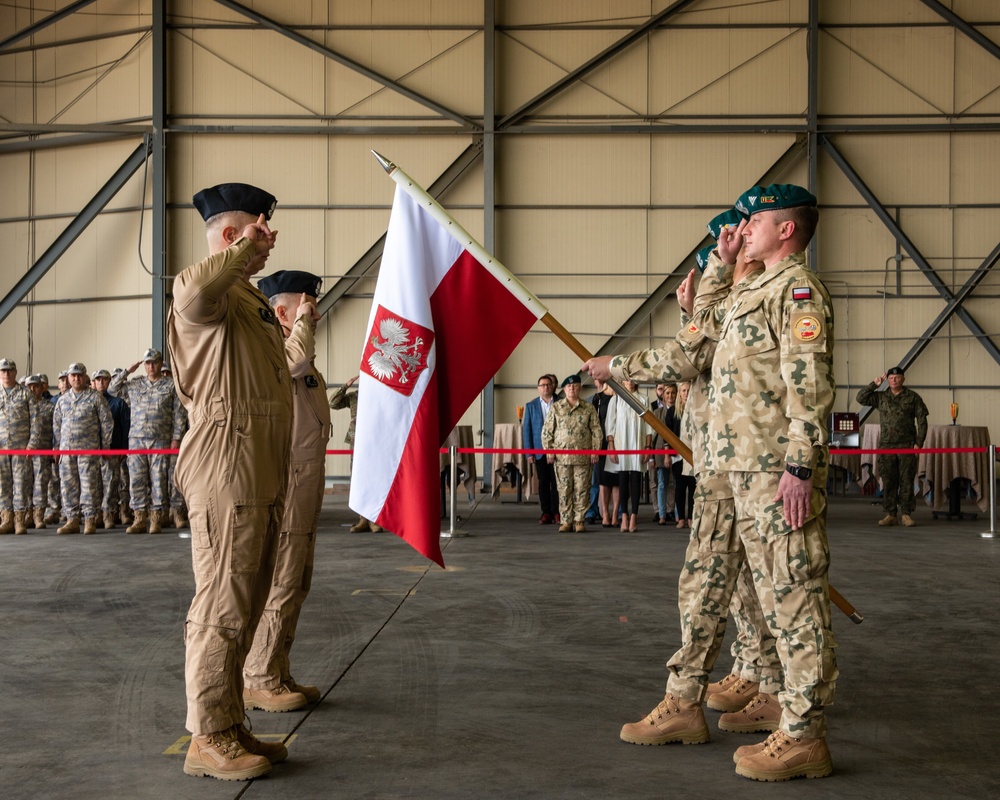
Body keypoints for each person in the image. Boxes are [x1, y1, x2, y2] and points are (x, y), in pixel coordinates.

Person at [583, 187, 832, 780]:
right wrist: (721, 269)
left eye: (756, 222)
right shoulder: (753, 290)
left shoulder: (798, 292)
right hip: (737, 466)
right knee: (762, 593)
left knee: (794, 597)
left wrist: (800, 466)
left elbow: (808, 386)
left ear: (787, 231)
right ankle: (775, 713)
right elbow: (705, 334)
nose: (744, 230)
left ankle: (804, 734)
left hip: (772, 470)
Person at [169, 182, 293, 781]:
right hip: (226, 460)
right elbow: (196, 289)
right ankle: (207, 736)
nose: (269, 248)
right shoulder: (204, 293)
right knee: (221, 596)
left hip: (258, 463)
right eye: (262, 235)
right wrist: (243, 250)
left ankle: (231, 716)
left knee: (246, 596)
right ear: (231, 236)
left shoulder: (247, 300)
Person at [244, 269, 330, 713]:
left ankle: (276, 667)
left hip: (308, 480)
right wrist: (302, 325)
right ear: (281, 312)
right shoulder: (277, 346)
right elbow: (292, 364)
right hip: (290, 478)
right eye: (306, 305)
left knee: (298, 580)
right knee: (281, 578)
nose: (314, 312)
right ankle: (259, 676)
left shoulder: (302, 347)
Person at [110, 349, 184, 534]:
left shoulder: (171, 385)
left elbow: (179, 414)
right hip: (137, 439)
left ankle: (156, 519)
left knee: (158, 479)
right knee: (137, 479)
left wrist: (176, 437)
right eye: (148, 363)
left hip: (160, 439)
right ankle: (139, 518)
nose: (151, 366)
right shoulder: (135, 384)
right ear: (144, 365)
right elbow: (112, 389)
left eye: (155, 362)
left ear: (160, 364)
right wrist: (127, 371)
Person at [856, 367, 928, 527]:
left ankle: (906, 514)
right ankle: (890, 514)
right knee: (888, 480)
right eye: (891, 378)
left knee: (907, 480)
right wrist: (874, 384)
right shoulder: (881, 397)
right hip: (887, 445)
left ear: (903, 379)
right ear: (887, 380)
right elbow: (860, 398)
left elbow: (922, 420)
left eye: (897, 377)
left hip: (907, 445)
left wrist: (919, 443)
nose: (894, 380)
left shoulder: (912, 397)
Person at [53, 363, 113, 535]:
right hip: (67, 450)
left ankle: (89, 520)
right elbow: (57, 425)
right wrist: (57, 447)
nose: (76, 378)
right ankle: (72, 519)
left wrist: (105, 445)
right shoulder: (62, 400)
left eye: (79, 375)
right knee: (68, 485)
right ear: (69, 378)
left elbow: (107, 423)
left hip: (89, 450)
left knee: (89, 485)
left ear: (85, 377)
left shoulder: (95, 398)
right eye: (73, 375)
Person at [541, 374, 602, 532]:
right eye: (569, 387)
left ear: (580, 388)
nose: (572, 389)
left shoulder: (588, 408)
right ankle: (566, 520)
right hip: (562, 458)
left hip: (583, 457)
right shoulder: (557, 407)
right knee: (564, 489)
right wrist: (549, 450)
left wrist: (595, 450)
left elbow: (596, 430)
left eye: (575, 386)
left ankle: (579, 520)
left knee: (582, 488)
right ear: (564, 389)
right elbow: (547, 431)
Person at [330, 375, 381, 533]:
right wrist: (346, 385)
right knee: (359, 480)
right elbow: (333, 403)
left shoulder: (379, 396)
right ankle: (363, 519)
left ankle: (374, 519)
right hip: (357, 441)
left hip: (375, 441)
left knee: (374, 479)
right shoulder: (354, 397)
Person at [604, 379, 651, 532]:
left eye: (632, 378)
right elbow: (610, 425)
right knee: (622, 480)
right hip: (621, 444)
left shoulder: (644, 399)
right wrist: (611, 447)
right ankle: (623, 516)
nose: (629, 381)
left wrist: (648, 447)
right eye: (626, 378)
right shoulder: (616, 399)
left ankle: (633, 518)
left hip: (638, 444)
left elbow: (649, 426)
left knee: (637, 480)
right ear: (622, 381)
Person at [0, 359, 37, 535]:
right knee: (3, 484)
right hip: (1, 448)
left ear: (15, 372)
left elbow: (36, 421)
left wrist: (32, 444)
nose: (6, 374)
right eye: (3, 371)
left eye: (9, 371)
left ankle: (19, 520)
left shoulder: (25, 394)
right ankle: (6, 518)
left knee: (21, 483)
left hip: (21, 447)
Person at [92, 369, 131, 530]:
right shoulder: (89, 401)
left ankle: (109, 514)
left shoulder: (118, 403)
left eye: (105, 380)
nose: (101, 383)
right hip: (92, 452)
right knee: (93, 484)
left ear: (109, 382)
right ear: (93, 383)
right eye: (98, 380)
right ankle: (95, 515)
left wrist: (124, 448)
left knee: (110, 484)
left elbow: (125, 427)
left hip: (112, 450)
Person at [522, 374, 560, 525]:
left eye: (548, 385)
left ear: (552, 387)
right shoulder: (531, 406)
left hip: (557, 451)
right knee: (543, 482)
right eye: (542, 385)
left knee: (557, 482)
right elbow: (527, 431)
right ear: (538, 388)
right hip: (539, 452)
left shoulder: (561, 403)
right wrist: (529, 453)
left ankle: (557, 512)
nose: (545, 387)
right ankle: (546, 512)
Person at [26, 374, 56, 530]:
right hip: (25, 453)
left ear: (41, 388)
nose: (32, 389)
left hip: (42, 451)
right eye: (29, 386)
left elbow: (56, 430)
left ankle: (39, 515)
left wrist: (54, 450)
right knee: (25, 484)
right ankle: (27, 514)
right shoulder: (22, 407)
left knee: (41, 484)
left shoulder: (49, 407)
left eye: (36, 386)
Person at [650, 383, 678, 525]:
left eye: (673, 393)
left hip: (678, 452)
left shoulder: (681, 411)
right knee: (662, 484)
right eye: (667, 393)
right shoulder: (657, 413)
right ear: (663, 395)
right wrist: (651, 456)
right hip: (661, 452)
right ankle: (661, 514)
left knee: (676, 484)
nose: (670, 396)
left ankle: (675, 513)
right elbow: (653, 436)